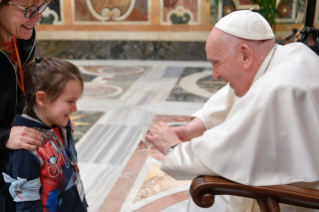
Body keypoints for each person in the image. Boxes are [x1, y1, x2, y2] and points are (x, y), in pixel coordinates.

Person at [145, 10, 319, 211]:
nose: (215, 75)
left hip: (290, 201)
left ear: (245, 54)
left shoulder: (276, 89)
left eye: (216, 63)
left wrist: (173, 148)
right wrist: (194, 127)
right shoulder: (293, 54)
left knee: (203, 195)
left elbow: (222, 152)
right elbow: (240, 90)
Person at [2, 58, 88, 212]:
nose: (75, 108)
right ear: (42, 99)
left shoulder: (61, 124)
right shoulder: (26, 146)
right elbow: (27, 205)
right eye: (70, 101)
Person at [0, 0, 52, 211]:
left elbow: (20, 90)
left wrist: (47, 114)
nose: (37, 18)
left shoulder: (21, 37)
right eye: (29, 10)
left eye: (42, 7)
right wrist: (3, 136)